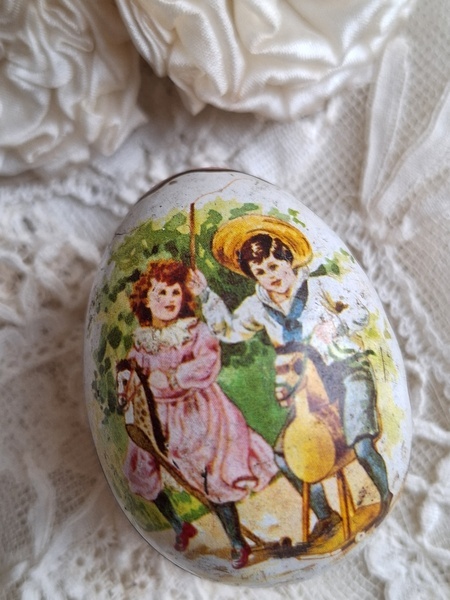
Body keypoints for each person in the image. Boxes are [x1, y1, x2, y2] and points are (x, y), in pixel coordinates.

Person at [189, 214, 392, 539]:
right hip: (305, 387)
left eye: (274, 266)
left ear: (288, 260)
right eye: (260, 272)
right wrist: (205, 295)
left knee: (362, 442)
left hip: (347, 371)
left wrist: (335, 324)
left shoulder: (320, 287)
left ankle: (384, 497)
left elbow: (361, 310)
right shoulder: (257, 306)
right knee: (284, 455)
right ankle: (326, 517)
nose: (270, 277)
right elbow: (228, 330)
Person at [117, 258, 278, 569]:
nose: (169, 300)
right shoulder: (141, 343)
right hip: (154, 419)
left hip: (196, 413)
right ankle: (180, 526)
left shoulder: (194, 331)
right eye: (161, 293)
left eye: (175, 293)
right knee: (140, 470)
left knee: (209, 476)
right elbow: (132, 378)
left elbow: (208, 362)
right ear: (146, 299)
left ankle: (237, 542)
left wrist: (175, 376)